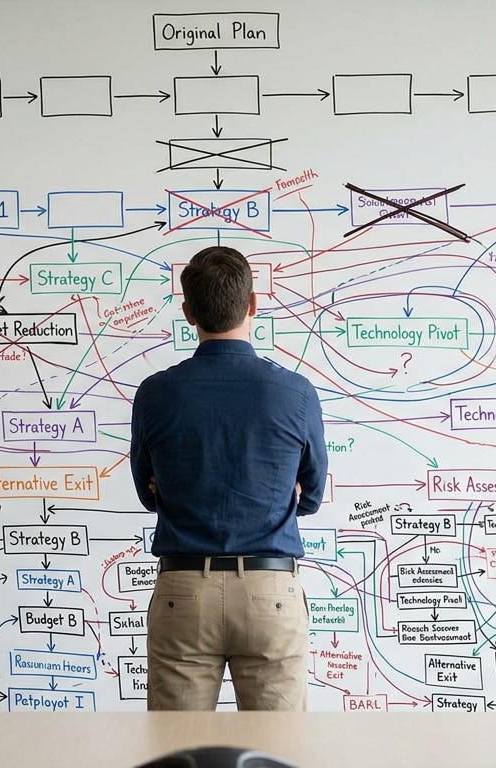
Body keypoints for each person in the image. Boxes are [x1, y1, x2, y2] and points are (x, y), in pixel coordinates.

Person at [130, 245, 328, 711]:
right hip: (270, 588)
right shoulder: (295, 393)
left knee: (176, 751)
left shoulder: (156, 394)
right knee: (278, 752)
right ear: (253, 304)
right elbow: (313, 493)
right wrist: (278, 495)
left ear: (188, 312)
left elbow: (147, 491)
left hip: (185, 590)